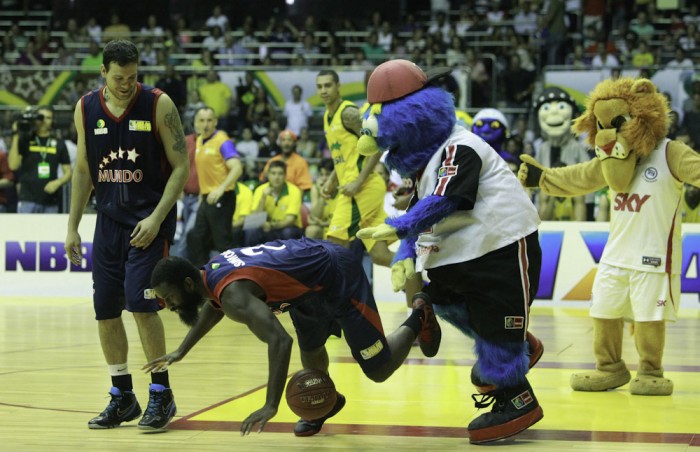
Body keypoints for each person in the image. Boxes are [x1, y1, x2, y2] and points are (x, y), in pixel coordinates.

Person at [143, 237, 441, 436]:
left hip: (336, 274)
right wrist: (182, 350)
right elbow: (214, 305)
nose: (168, 305)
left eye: (169, 297)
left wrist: (271, 404)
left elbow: (279, 341)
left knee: (378, 368)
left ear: (187, 284)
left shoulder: (233, 295)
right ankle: (325, 403)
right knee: (310, 348)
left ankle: (420, 316)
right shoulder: (210, 272)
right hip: (306, 284)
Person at [64, 39, 189, 431]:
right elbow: (83, 169)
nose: (126, 84)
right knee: (105, 308)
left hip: (149, 222)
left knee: (141, 304)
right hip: (109, 222)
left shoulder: (158, 104)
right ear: (103, 71)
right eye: (119, 77)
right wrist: (72, 226)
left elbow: (182, 166)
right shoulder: (85, 108)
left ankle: (161, 394)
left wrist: (156, 219)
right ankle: (122, 396)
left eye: (133, 77)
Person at [315, 69, 394, 268]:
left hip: (362, 189)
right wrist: (332, 180)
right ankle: (422, 277)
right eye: (320, 86)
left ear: (338, 87)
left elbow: (377, 144)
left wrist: (358, 182)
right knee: (380, 255)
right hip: (356, 188)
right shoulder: (327, 116)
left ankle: (340, 297)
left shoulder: (348, 114)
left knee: (333, 246)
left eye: (328, 85)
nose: (323, 90)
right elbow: (342, 155)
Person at [187, 106, 243, 267]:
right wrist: (201, 197)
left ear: (215, 122)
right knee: (195, 237)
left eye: (209, 120)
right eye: (202, 120)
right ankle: (204, 275)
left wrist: (220, 188)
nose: (206, 124)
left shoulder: (223, 141)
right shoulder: (199, 141)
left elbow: (237, 168)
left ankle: (235, 277)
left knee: (222, 242)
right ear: (195, 123)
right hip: (206, 198)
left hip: (222, 197)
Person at [8, 106, 72, 213]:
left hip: (50, 200)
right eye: (41, 117)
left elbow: (68, 172)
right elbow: (13, 165)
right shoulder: (26, 140)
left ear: (53, 121)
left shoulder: (59, 143)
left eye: (48, 118)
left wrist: (57, 183)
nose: (44, 121)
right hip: (27, 199)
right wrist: (16, 135)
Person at [246, 160, 303, 245]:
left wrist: (271, 226)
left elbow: (290, 220)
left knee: (288, 232)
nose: (276, 177)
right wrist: (263, 198)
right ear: (268, 175)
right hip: (266, 228)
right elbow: (255, 218)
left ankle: (287, 257)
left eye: (280, 174)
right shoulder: (260, 190)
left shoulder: (294, 191)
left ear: (285, 176)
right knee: (251, 230)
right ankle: (250, 257)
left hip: (287, 228)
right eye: (273, 173)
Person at [305, 158, 336, 239]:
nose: (324, 178)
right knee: (311, 230)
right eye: (321, 175)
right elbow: (315, 215)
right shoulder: (316, 188)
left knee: (334, 232)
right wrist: (323, 194)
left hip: (338, 227)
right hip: (323, 227)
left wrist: (322, 223)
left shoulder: (342, 189)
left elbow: (343, 221)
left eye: (327, 174)